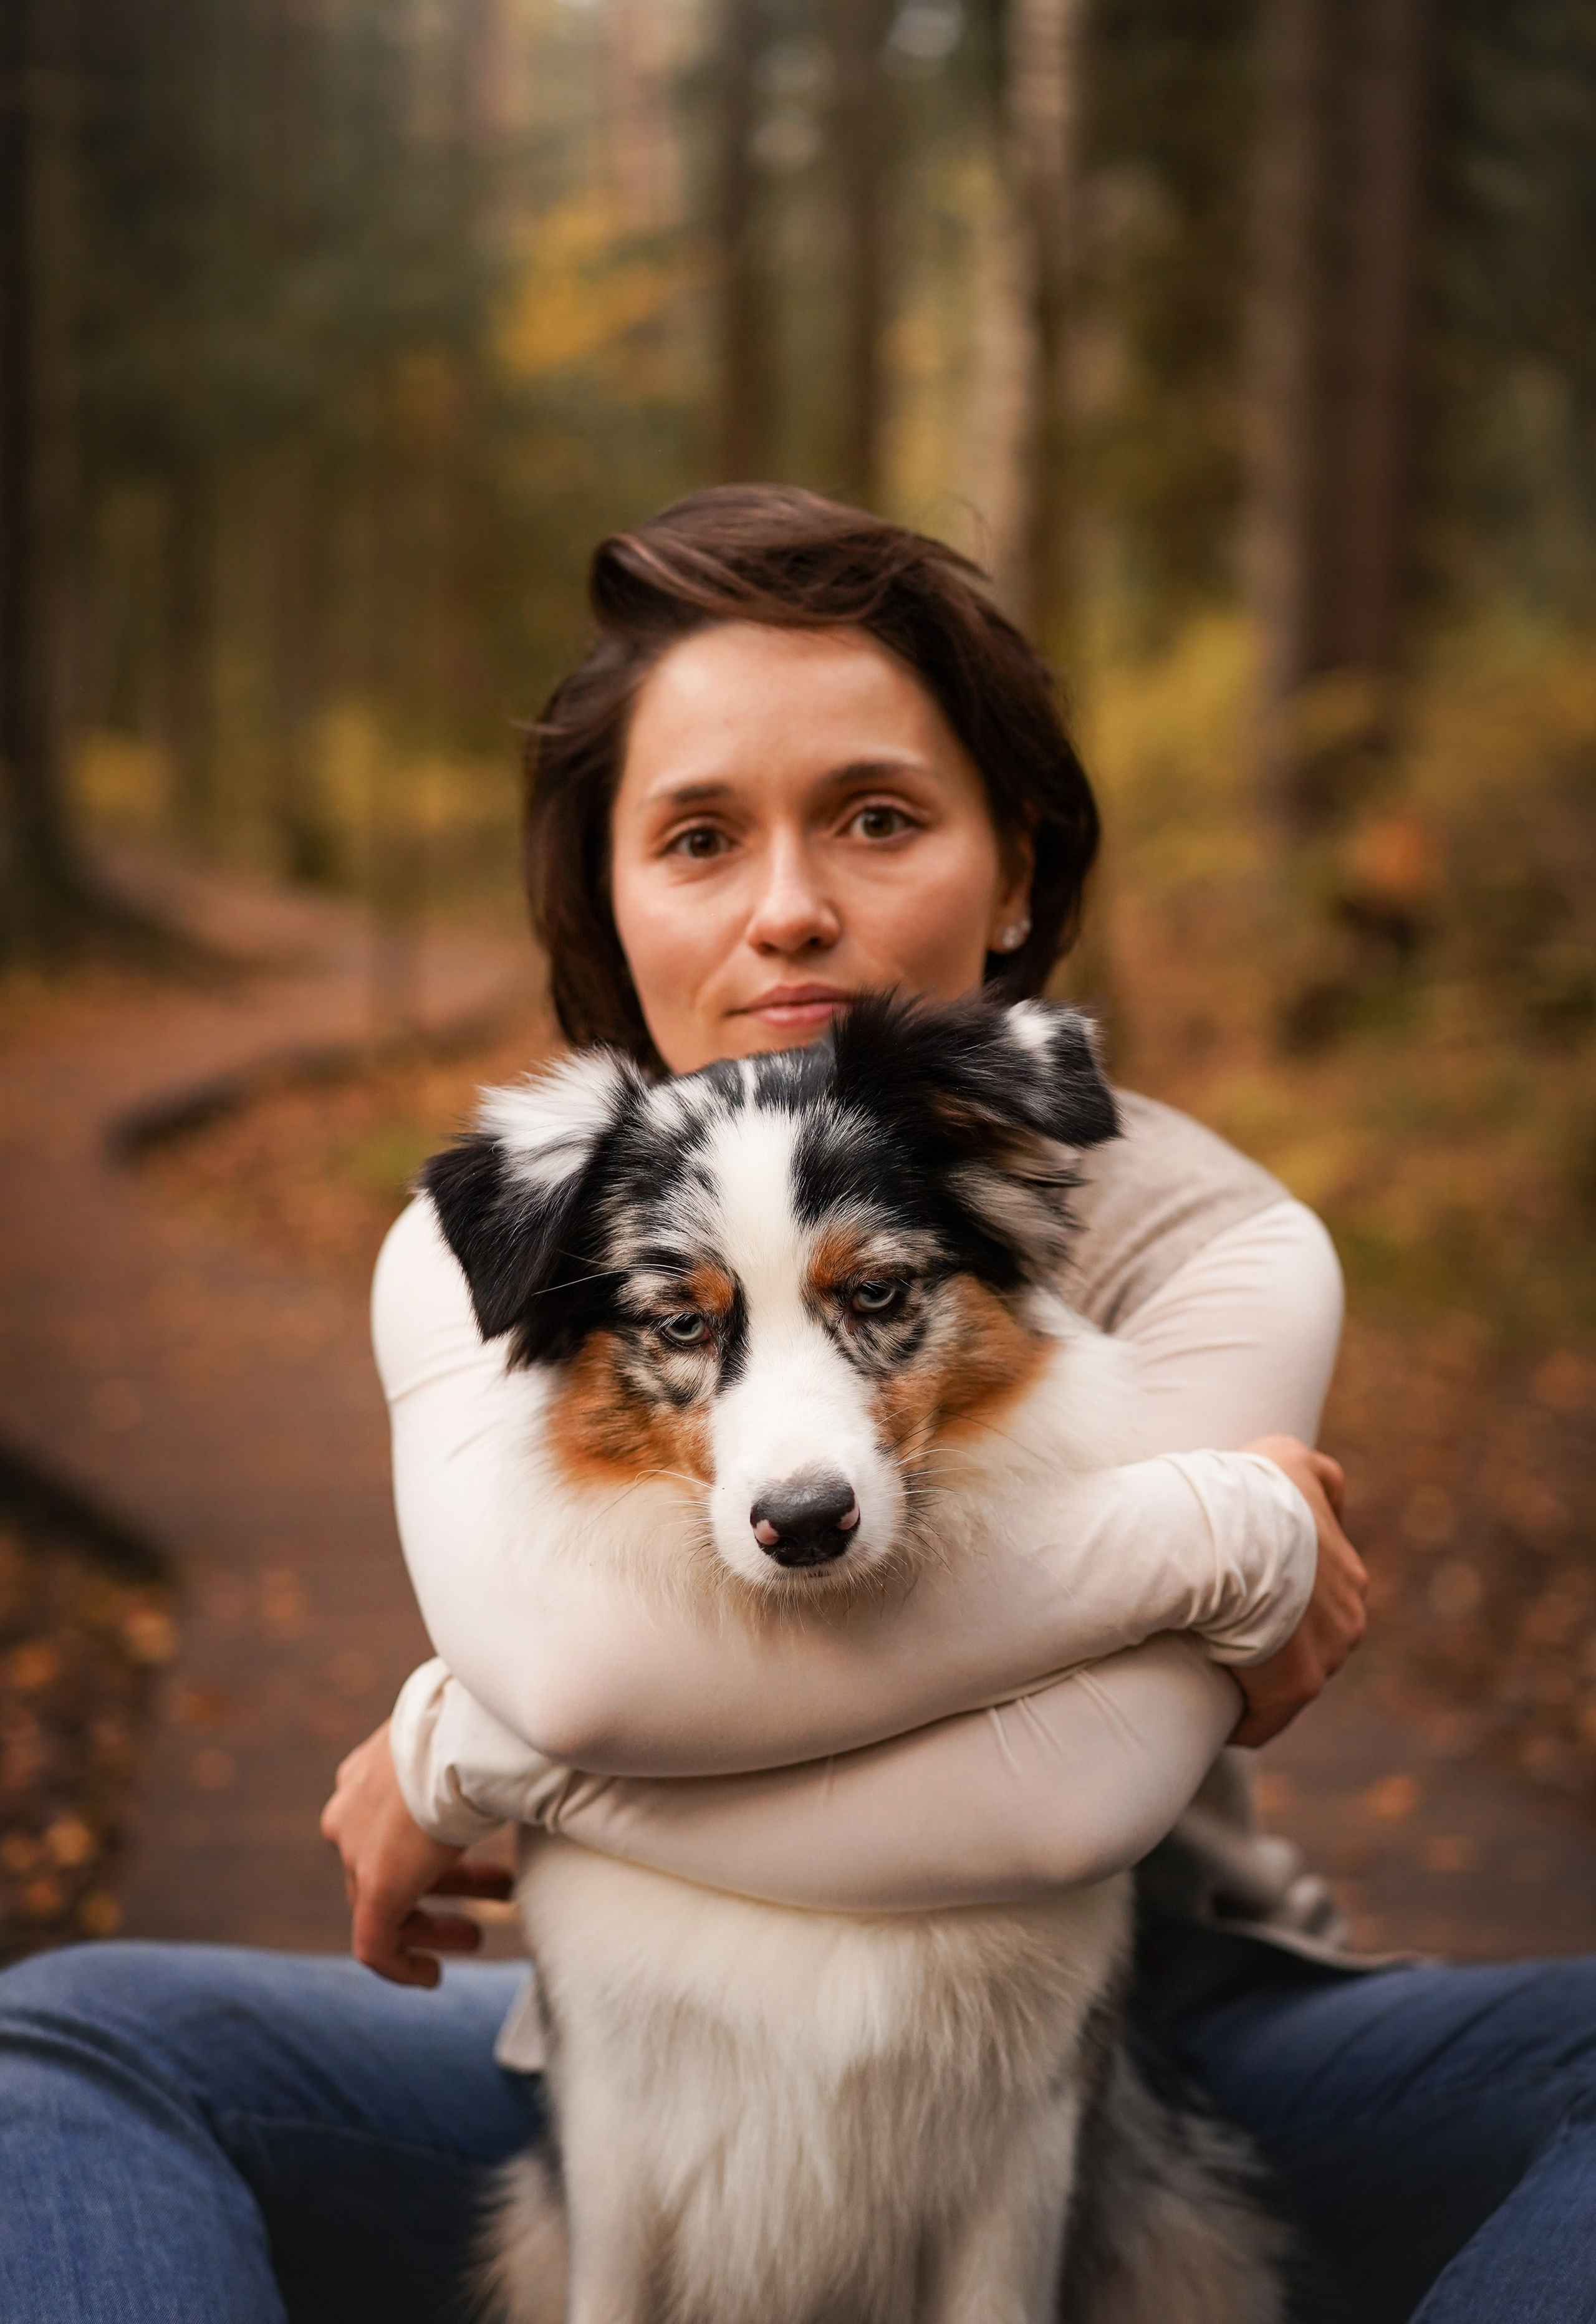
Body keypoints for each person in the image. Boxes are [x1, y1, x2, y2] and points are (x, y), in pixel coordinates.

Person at [0, 491, 1590, 2324]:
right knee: (63, 2043)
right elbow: (587, 1680)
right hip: (621, 2065)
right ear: (608, 892)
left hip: (1170, 2041)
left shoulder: (1214, 1237)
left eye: (879, 816)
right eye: (696, 837)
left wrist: (468, 1752)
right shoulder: (508, 1225)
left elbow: (1058, 1805)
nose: (788, 910)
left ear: (1015, 871)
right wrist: (1218, 1536)